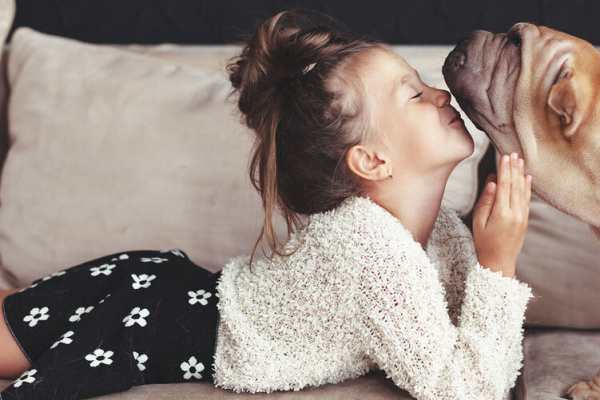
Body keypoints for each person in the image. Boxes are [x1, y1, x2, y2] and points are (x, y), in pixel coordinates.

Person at [0, 8, 534, 400]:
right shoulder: (367, 251)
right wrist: (499, 262)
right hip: (153, 318)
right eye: (414, 94)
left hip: (166, 292)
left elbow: (473, 344)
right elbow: (464, 389)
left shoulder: (439, 231)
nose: (442, 94)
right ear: (371, 161)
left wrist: (488, 260)